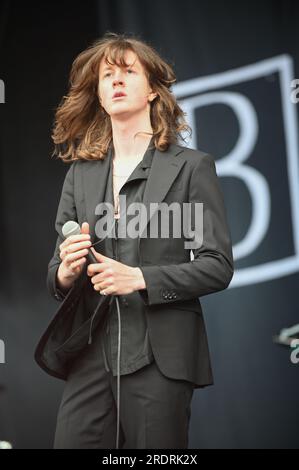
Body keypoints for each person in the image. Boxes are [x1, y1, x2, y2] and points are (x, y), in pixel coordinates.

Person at [43, 32, 234, 449]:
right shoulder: (80, 174)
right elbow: (55, 275)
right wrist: (67, 270)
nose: (115, 80)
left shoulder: (192, 167)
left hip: (159, 354)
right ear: (97, 93)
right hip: (91, 352)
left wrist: (140, 278)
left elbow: (217, 264)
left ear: (152, 90)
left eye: (128, 72)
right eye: (107, 75)